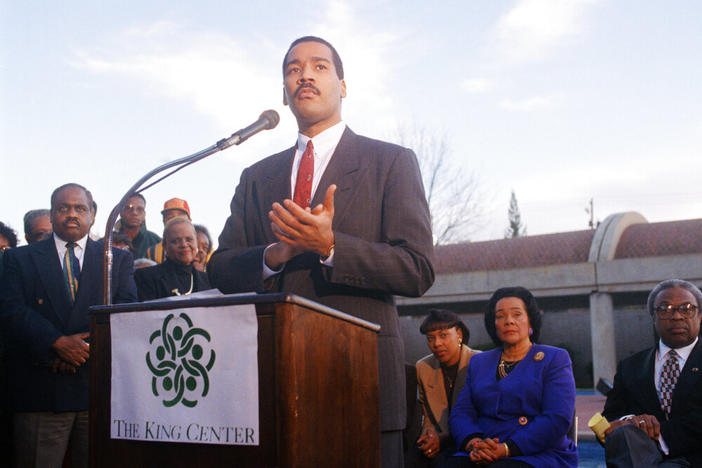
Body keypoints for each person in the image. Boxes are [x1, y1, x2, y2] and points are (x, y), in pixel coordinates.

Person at [207, 36, 434, 467]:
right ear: (284, 92)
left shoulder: (390, 162)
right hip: (269, 381)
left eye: (319, 66)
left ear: (343, 86)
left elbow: (417, 269)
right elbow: (219, 267)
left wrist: (330, 246)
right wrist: (275, 254)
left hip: (360, 378)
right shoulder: (256, 176)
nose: (305, 75)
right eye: (293, 69)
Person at [0, 183, 137, 468]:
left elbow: (126, 312)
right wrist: (57, 344)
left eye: (80, 208)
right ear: (51, 215)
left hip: (96, 392)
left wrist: (82, 349)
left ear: (93, 215)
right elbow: (11, 311)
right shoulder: (18, 259)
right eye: (63, 208)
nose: (71, 214)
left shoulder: (117, 259)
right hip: (40, 391)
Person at [445, 287, 577, 468]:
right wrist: (474, 444)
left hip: (538, 453)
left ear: (530, 321)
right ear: (494, 324)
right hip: (483, 447)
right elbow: (461, 413)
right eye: (500, 316)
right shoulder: (479, 362)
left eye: (517, 314)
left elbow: (557, 417)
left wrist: (506, 449)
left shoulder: (555, 359)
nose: (508, 321)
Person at [601, 279, 702, 467]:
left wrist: (651, 433)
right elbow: (610, 420)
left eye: (687, 308)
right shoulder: (630, 367)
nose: (677, 316)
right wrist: (629, 422)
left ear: (700, 315)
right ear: (653, 317)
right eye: (665, 309)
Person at [406, 309, 479, 468]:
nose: (436, 343)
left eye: (443, 335)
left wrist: (443, 439)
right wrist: (429, 435)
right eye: (430, 338)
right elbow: (428, 417)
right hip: (439, 438)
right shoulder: (423, 367)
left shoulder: (479, 361)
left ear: (459, 334)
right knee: (411, 459)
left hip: (472, 438)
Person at [135, 217, 211, 301]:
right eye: (176, 241)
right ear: (165, 245)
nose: (184, 245)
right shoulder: (146, 277)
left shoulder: (208, 280)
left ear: (196, 242)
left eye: (189, 239)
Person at [146, 197, 191, 264]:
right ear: (164, 222)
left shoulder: (202, 248)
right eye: (170, 217)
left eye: (180, 216)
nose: (175, 220)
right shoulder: (153, 252)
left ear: (189, 221)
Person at [115, 193, 161, 259]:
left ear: (144, 214)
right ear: (121, 213)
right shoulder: (108, 242)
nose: (134, 213)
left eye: (139, 209)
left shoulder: (156, 242)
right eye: (129, 208)